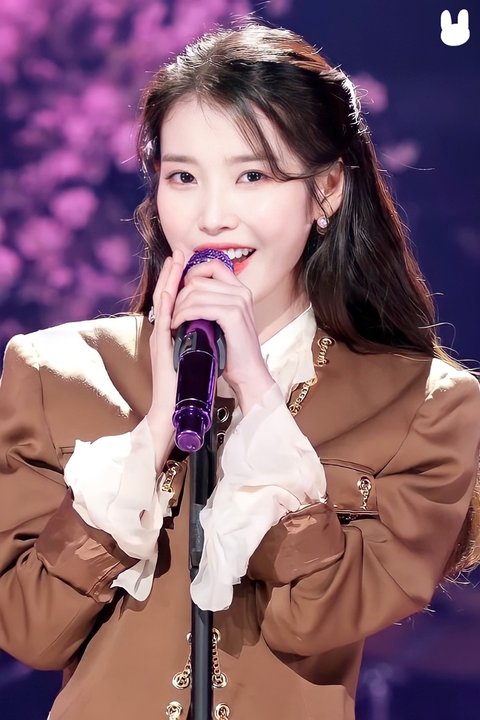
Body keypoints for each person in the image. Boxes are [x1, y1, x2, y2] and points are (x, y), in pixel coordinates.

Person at [1, 20, 479, 720]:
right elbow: (30, 630)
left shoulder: (424, 405)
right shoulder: (56, 373)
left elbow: (314, 616)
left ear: (326, 191)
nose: (212, 216)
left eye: (252, 175)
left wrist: (259, 397)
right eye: (183, 177)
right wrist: (154, 432)